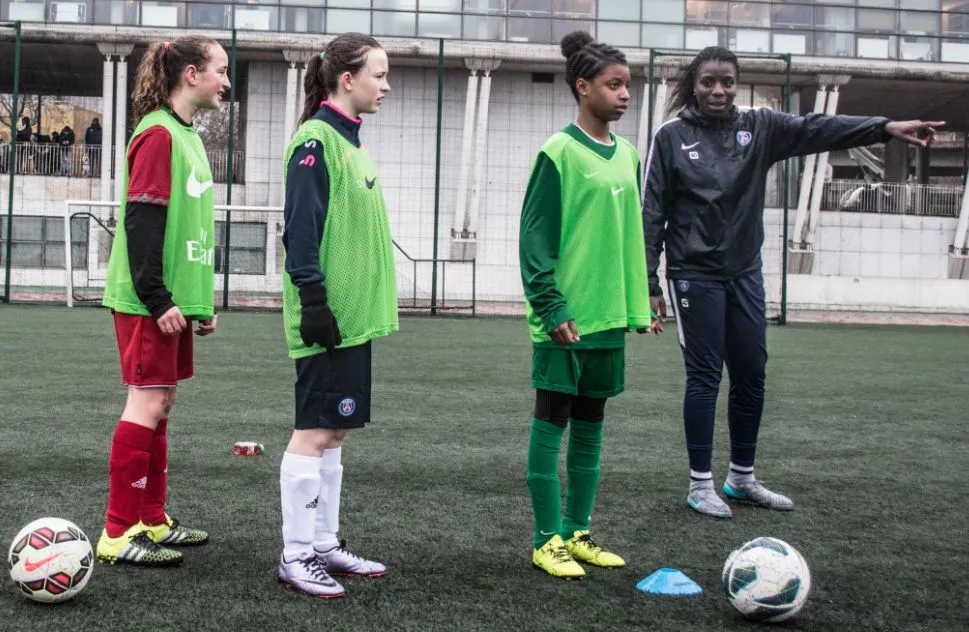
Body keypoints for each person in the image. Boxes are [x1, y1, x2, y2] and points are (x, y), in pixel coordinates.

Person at [643, 46, 944, 519]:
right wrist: (649, 281)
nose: (718, 90)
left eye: (726, 81)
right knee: (705, 377)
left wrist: (884, 128)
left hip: (744, 273)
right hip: (693, 275)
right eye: (708, 82)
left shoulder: (759, 127)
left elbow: (817, 129)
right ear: (695, 85)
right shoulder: (671, 136)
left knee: (752, 372)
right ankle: (700, 485)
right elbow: (651, 210)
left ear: (736, 83)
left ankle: (741, 478)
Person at [519, 31, 659, 580]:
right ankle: (544, 539)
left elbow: (630, 236)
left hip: (608, 319)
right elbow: (534, 237)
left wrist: (643, 296)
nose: (626, 95)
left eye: (629, 85)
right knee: (551, 421)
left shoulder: (628, 154)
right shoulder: (558, 152)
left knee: (592, 425)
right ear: (583, 87)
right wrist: (551, 306)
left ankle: (577, 531)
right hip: (566, 320)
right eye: (614, 84)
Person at [98, 35, 230, 565]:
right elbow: (142, 222)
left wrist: (199, 303)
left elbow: (187, 228)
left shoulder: (188, 136)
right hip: (146, 301)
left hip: (173, 302)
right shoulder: (156, 135)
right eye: (222, 70)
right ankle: (116, 531)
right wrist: (156, 298)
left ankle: (151, 519)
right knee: (146, 403)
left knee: (162, 405)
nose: (227, 81)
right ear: (192, 74)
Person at [277, 32, 397, 599]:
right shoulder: (316, 140)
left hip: (354, 318)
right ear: (347, 80)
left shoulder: (351, 142)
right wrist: (315, 302)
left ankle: (324, 544)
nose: (386, 84)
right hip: (329, 317)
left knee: (337, 431)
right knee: (314, 430)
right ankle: (296, 555)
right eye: (379, 73)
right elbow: (300, 231)